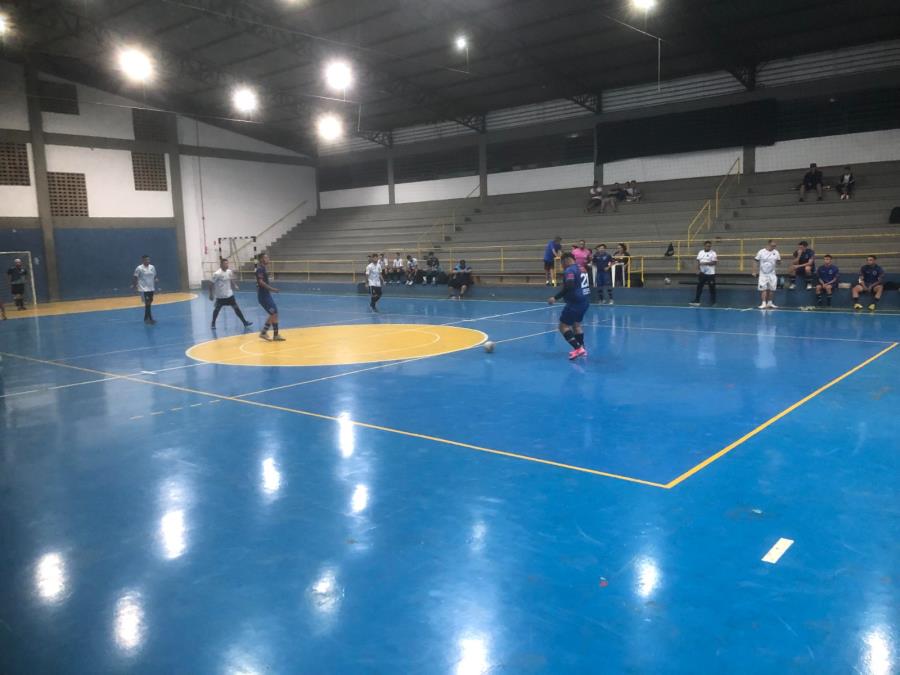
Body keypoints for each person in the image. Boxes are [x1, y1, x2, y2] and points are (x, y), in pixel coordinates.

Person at [548, 252, 590, 360]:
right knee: (577, 325)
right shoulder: (581, 268)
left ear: (566, 260)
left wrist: (555, 297)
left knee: (563, 326)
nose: (561, 266)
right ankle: (583, 348)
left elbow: (570, 286)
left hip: (574, 302)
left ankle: (578, 348)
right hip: (584, 301)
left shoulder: (570, 270)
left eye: (561, 263)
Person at [210, 258, 252, 329]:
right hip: (221, 297)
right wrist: (211, 294)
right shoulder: (217, 274)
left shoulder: (229, 271)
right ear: (221, 265)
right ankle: (213, 323)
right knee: (216, 310)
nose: (227, 265)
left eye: (227, 263)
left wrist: (235, 285)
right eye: (225, 263)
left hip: (230, 295)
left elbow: (230, 279)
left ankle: (244, 322)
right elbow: (211, 284)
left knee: (236, 308)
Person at [255, 252, 284, 341]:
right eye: (266, 258)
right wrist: (272, 289)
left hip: (266, 295)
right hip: (263, 296)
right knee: (274, 313)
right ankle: (265, 333)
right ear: (261, 259)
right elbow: (260, 282)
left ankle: (273, 334)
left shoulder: (263, 268)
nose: (268, 259)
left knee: (274, 313)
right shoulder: (260, 269)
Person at [753, 240, 781, 309]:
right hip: (763, 274)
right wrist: (754, 271)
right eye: (772, 245)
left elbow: (779, 262)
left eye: (775, 246)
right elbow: (755, 261)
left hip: (772, 274)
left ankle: (770, 303)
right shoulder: (761, 251)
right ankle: (763, 303)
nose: (774, 247)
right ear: (768, 244)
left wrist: (779, 262)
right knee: (764, 289)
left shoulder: (776, 252)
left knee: (772, 289)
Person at [690, 240, 717, 306]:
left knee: (712, 288)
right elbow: (698, 261)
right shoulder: (700, 252)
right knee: (699, 287)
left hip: (710, 274)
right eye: (707, 246)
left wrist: (705, 263)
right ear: (704, 246)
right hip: (702, 274)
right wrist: (697, 269)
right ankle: (697, 301)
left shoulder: (713, 253)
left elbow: (714, 262)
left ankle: (713, 301)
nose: (708, 247)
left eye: (709, 246)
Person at [131, 255, 157, 324]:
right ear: (143, 260)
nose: (147, 261)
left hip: (151, 288)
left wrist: (155, 279)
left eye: (148, 259)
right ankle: (150, 319)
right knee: (147, 303)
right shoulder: (139, 268)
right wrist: (135, 285)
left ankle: (145, 318)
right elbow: (135, 277)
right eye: (146, 260)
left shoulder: (152, 267)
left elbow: (154, 275)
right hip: (143, 289)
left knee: (149, 302)